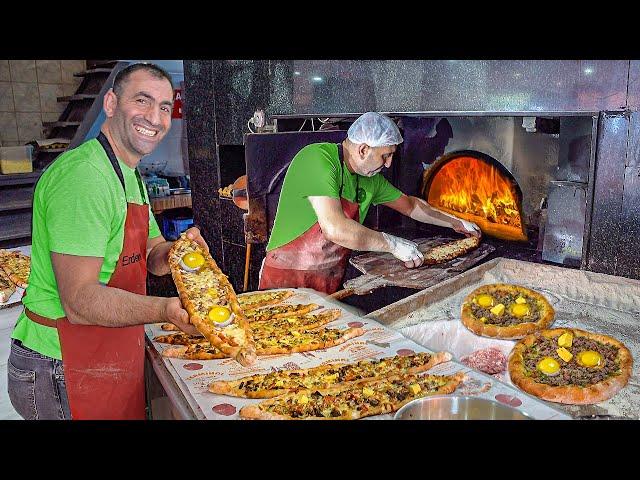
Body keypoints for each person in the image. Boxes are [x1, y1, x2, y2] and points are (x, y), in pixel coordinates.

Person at [7, 63, 205, 420]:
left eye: (164, 106)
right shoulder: (84, 178)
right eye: (142, 101)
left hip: (106, 350)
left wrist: (180, 253)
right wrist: (164, 311)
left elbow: (152, 253)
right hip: (61, 365)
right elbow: (80, 301)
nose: (156, 118)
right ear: (111, 103)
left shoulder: (129, 173)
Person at [258, 111, 480, 294]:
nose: (388, 164)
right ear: (363, 149)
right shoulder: (318, 159)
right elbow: (335, 229)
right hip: (284, 279)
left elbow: (411, 206)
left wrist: (456, 222)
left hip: (327, 284)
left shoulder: (370, 180)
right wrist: (392, 244)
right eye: (386, 156)